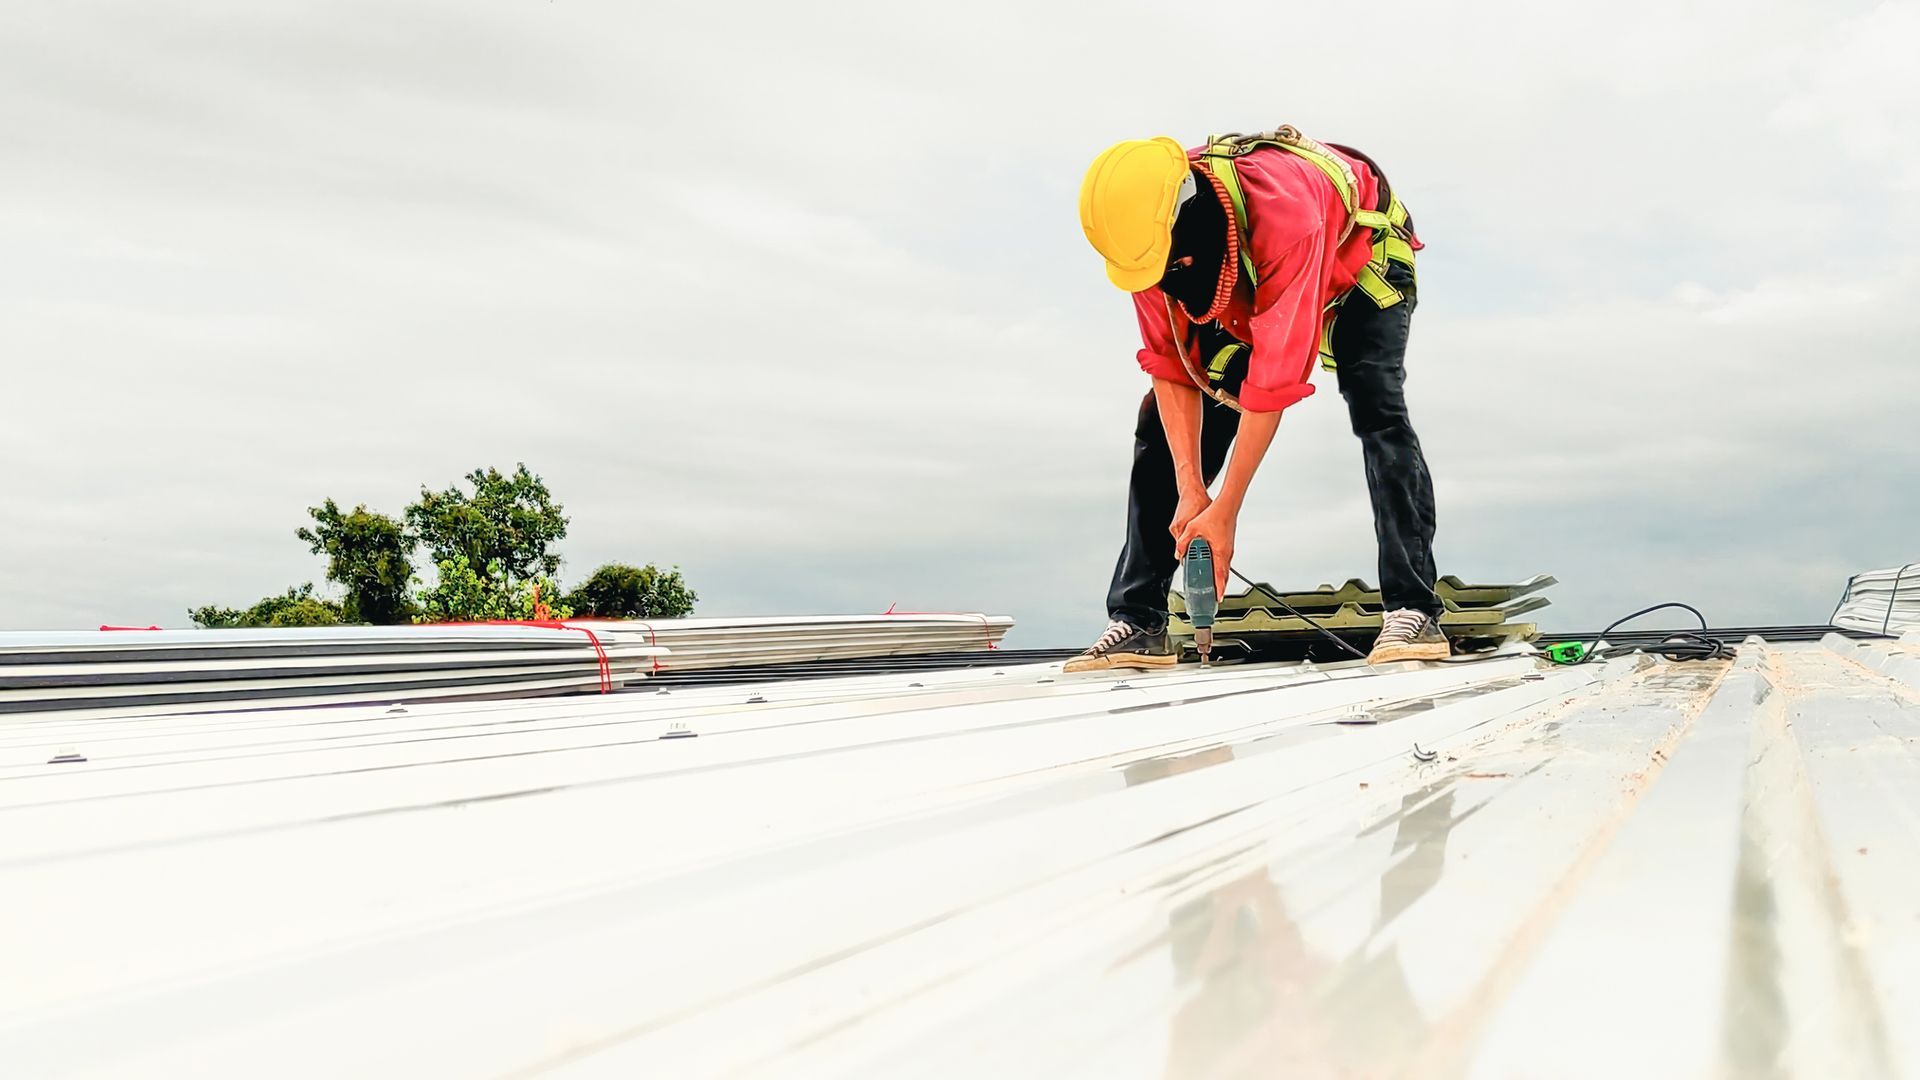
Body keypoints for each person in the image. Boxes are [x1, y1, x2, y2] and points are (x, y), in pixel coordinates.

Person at [1066, 126, 1448, 672]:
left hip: (1361, 255)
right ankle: (1139, 621)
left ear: (1185, 217)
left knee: (1376, 406)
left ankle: (1413, 610)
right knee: (1158, 427)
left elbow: (1270, 386)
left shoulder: (1285, 218)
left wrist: (1225, 513)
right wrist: (1192, 491)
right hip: (1236, 269)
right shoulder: (1143, 244)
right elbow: (1171, 368)